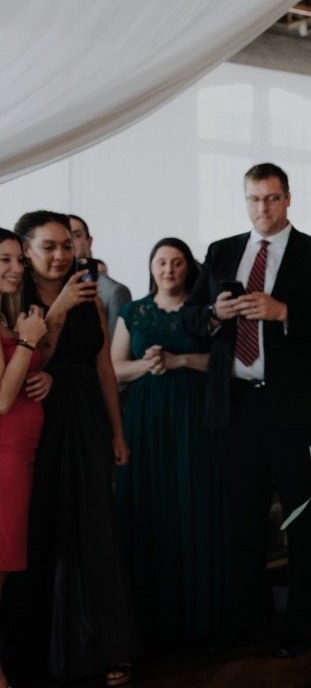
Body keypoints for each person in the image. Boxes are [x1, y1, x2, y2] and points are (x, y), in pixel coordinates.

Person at [182, 163, 311, 658]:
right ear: (245, 200)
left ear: (289, 198)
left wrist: (284, 314)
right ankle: (244, 621)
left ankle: (303, 624)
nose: (264, 209)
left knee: (302, 520)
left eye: (273, 198)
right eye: (255, 199)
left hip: (295, 407)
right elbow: (191, 317)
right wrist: (216, 314)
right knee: (242, 520)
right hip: (235, 407)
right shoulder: (221, 251)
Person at [5, 211, 139, 688]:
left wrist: (117, 432)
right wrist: (57, 307)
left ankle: (105, 648)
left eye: (67, 245)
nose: (61, 255)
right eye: (48, 247)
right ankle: (37, 653)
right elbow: (32, 358)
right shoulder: (13, 298)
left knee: (96, 526)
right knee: (41, 530)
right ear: (25, 250)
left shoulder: (90, 295)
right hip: (39, 416)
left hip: (86, 419)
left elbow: (104, 365)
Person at [112, 238, 224, 646]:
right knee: (149, 503)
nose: (169, 269)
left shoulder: (204, 315)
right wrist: (148, 364)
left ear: (188, 268)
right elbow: (114, 369)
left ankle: (197, 614)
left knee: (192, 501)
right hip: (145, 419)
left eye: (177, 262)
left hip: (194, 417)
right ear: (151, 267)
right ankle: (146, 616)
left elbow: (223, 362)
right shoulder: (133, 312)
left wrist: (178, 361)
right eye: (161, 262)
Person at [0, 228, 46, 688]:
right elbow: (0, 399)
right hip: (3, 461)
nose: (15, 268)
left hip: (20, 457)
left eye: (18, 259)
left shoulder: (9, 315)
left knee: (6, 573)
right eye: (4, 259)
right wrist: (29, 339)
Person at [68, 215, 132, 341]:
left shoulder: (114, 292)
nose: (69, 242)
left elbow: (116, 349)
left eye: (76, 235)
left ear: (89, 241)